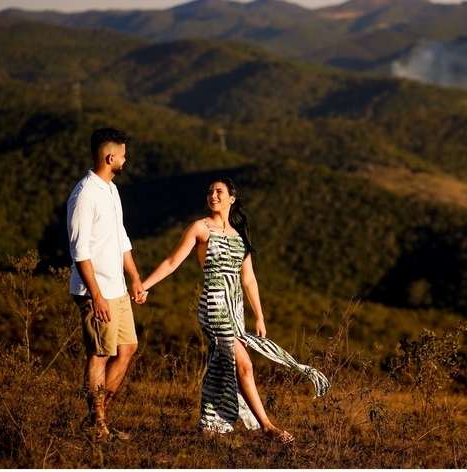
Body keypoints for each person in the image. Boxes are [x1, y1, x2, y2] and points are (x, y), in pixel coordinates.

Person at [141, 177, 329, 443]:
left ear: (232, 198)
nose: (213, 195)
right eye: (210, 192)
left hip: (236, 308)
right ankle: (267, 426)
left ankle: (209, 424)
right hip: (214, 305)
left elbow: (249, 279)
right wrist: (144, 286)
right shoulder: (200, 227)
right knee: (244, 364)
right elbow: (172, 262)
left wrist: (260, 316)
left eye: (219, 191)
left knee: (221, 363)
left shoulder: (240, 237)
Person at [67, 127, 146, 441]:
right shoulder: (84, 195)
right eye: (123, 154)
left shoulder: (110, 189)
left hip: (118, 289)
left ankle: (98, 418)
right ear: (110, 157)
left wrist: (136, 278)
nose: (125, 159)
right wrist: (96, 296)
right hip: (96, 291)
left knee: (127, 348)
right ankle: (98, 425)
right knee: (99, 355)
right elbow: (79, 251)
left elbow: (120, 238)